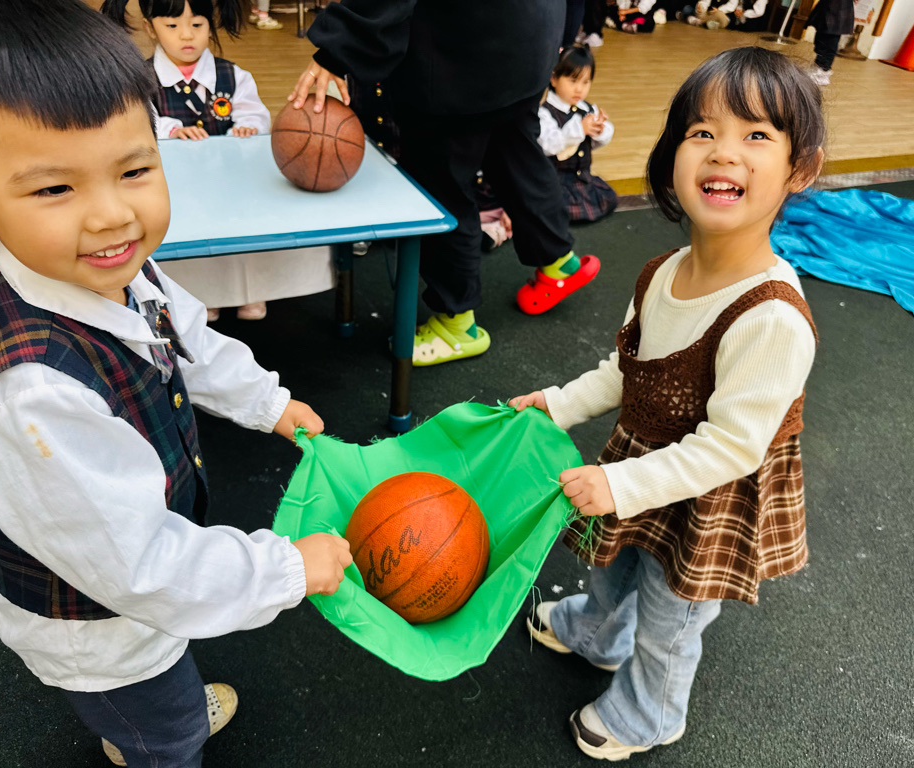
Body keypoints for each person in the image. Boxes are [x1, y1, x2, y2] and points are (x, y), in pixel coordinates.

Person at [0, 1, 352, 766]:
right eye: (53, 189)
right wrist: (289, 568)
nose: (111, 216)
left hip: (132, 589)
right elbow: (142, 567)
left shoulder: (116, 272)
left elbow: (188, 338)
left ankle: (155, 718)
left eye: (134, 170)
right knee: (165, 728)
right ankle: (160, 737)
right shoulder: (32, 397)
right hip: (100, 631)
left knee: (163, 671)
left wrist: (267, 402)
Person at [509, 47, 825, 761]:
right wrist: (557, 405)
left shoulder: (773, 317)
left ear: (799, 169)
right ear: (672, 154)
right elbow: (626, 370)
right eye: (702, 131)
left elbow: (731, 448)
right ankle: (595, 633)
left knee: (669, 619)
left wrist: (619, 484)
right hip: (643, 465)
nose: (724, 153)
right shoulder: (661, 273)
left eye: (756, 135)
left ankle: (650, 713)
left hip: (710, 497)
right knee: (612, 564)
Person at [288, 0, 601, 367]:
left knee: (442, 183)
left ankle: (456, 324)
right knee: (516, 151)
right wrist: (560, 35)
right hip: (533, 37)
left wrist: (337, 50)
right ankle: (559, 262)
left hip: (461, 55)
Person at [102, 0, 288, 322]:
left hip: (229, 185)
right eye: (172, 26)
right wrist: (171, 130)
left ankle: (249, 292)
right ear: (150, 28)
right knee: (194, 241)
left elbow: (256, 113)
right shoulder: (140, 80)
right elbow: (132, 128)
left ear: (210, 25)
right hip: (178, 189)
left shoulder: (233, 76)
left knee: (239, 235)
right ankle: (207, 296)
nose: (186, 35)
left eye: (197, 24)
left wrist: (248, 126)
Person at [538, 45, 617, 224]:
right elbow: (548, 145)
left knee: (609, 197)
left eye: (585, 82)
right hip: (558, 182)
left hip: (582, 178)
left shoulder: (586, 108)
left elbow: (595, 143)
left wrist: (599, 130)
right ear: (553, 79)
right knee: (556, 208)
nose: (579, 89)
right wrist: (580, 129)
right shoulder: (545, 113)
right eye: (573, 81)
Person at [808, 0, 854, 85]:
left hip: (839, 7)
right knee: (820, 39)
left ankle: (822, 72)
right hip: (828, 5)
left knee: (829, 40)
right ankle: (818, 67)